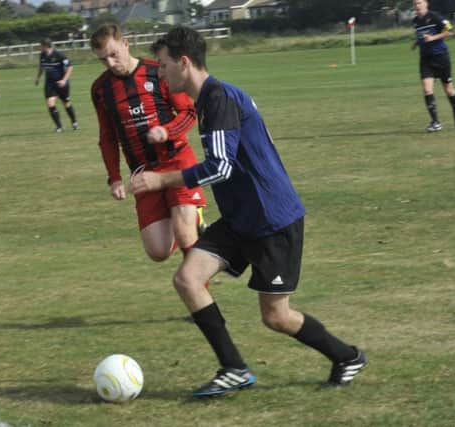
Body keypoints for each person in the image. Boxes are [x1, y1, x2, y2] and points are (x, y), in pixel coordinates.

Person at [131, 26, 368, 397]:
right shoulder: (208, 99)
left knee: (276, 316)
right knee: (188, 279)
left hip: (272, 220)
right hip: (243, 218)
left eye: (163, 66)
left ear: (184, 62)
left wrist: (161, 181)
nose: (159, 75)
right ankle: (234, 368)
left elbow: (220, 166)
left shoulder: (219, 98)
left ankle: (347, 355)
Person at [89, 23, 207, 269]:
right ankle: (189, 219)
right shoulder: (101, 89)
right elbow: (107, 137)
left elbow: (188, 111)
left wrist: (167, 131)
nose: (110, 63)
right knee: (158, 250)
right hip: (143, 171)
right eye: (103, 60)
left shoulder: (158, 72)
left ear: (125, 44)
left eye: (113, 55)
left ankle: (202, 302)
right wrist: (114, 178)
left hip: (176, 160)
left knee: (185, 234)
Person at [412, 0, 455, 132]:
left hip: (441, 58)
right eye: (415, 4)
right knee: (427, 89)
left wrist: (433, 38)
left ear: (426, 4)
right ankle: (435, 122)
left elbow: (451, 31)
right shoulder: (415, 21)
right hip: (426, 60)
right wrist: (417, 43)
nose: (416, 6)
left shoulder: (435, 17)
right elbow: (421, 36)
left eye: (419, 3)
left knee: (448, 89)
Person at [35, 38, 78, 132]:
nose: (39, 47)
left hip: (61, 83)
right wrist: (38, 77)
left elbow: (70, 67)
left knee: (66, 103)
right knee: (50, 104)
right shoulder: (42, 55)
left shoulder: (59, 55)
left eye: (41, 46)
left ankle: (74, 122)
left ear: (46, 46)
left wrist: (64, 80)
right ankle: (59, 126)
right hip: (49, 83)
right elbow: (41, 67)